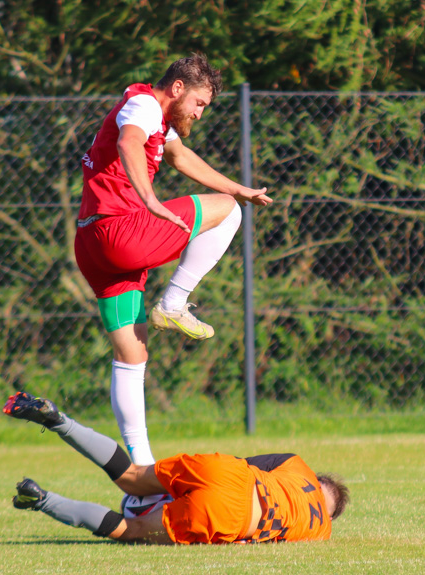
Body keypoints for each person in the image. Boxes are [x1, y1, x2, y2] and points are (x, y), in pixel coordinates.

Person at [74, 53, 273, 467]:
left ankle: (142, 467)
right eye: (199, 103)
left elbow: (182, 160)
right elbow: (129, 141)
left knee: (132, 358)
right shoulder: (145, 104)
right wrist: (150, 200)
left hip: (92, 243)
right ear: (178, 88)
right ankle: (174, 302)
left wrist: (241, 188)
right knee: (226, 212)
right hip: (119, 232)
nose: (200, 113)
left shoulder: (155, 118)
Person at [3, 391, 349, 544]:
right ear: (328, 512)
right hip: (234, 514)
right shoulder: (321, 530)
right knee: (132, 529)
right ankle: (41, 499)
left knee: (132, 477)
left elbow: (248, 464)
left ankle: (59, 420)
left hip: (226, 473)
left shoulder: (298, 467)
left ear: (317, 482)